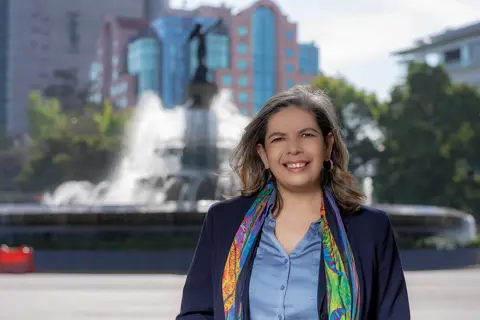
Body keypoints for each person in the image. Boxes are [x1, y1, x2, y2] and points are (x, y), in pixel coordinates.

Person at [177, 85, 410, 320]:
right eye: (278, 139)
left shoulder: (371, 229)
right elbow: (196, 312)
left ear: (327, 146)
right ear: (264, 154)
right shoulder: (224, 222)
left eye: (307, 135)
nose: (294, 149)